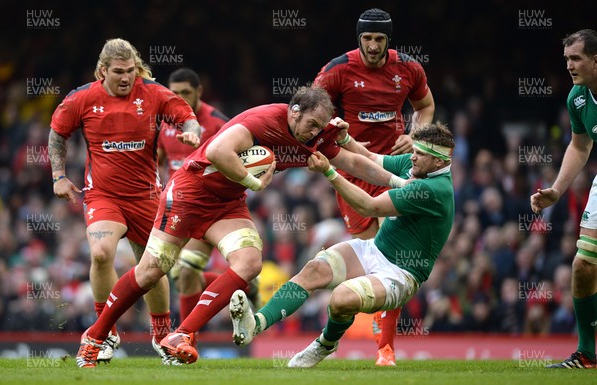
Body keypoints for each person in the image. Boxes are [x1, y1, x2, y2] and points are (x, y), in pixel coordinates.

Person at [75, 85, 405, 368]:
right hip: (191, 191)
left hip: (227, 203)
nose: (316, 132)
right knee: (151, 271)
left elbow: (353, 162)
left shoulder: (315, 137)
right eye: (311, 124)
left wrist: (397, 181)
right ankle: (96, 334)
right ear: (294, 112)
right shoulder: (263, 120)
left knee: (249, 263)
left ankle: (182, 334)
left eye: (321, 127)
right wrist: (254, 183)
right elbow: (218, 150)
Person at [229, 122, 454, 368]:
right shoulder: (415, 167)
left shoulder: (432, 190)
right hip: (375, 249)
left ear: (440, 162)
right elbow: (366, 158)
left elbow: (369, 206)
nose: (413, 156)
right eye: (415, 150)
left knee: (341, 299)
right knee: (313, 269)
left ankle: (325, 343)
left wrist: (329, 173)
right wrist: (345, 140)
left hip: (400, 274)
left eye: (421, 154)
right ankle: (255, 323)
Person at [48, 38, 200, 366]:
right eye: (118, 71)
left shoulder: (154, 93)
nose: (126, 77)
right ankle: (107, 331)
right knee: (102, 253)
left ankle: (160, 333)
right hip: (104, 196)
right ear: (103, 71)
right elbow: (57, 133)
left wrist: (191, 131)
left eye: (131, 71)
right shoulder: (83, 98)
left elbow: (187, 116)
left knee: (155, 264)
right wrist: (58, 175)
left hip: (146, 196)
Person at [313, 7, 435, 365]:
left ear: (388, 40)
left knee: (392, 255)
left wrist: (415, 135)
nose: (372, 45)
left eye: (379, 39)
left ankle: (386, 348)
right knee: (368, 253)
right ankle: (337, 333)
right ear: (358, 38)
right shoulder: (338, 69)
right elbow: (311, 107)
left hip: (397, 167)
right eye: (367, 38)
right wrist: (332, 130)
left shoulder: (409, 68)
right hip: (353, 169)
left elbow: (425, 106)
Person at [531, 29, 597, 369]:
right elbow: (580, 145)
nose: (570, 65)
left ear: (596, 60)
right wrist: (556, 189)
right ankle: (587, 353)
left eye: (577, 59)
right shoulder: (578, 98)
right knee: (583, 265)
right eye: (567, 59)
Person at [156, 68, 233, 322]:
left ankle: (185, 339)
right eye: (174, 93)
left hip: (210, 208)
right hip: (177, 207)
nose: (180, 98)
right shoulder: (164, 122)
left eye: (186, 92)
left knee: (187, 269)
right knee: (181, 275)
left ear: (199, 91)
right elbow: (157, 160)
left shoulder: (219, 123)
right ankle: (239, 285)